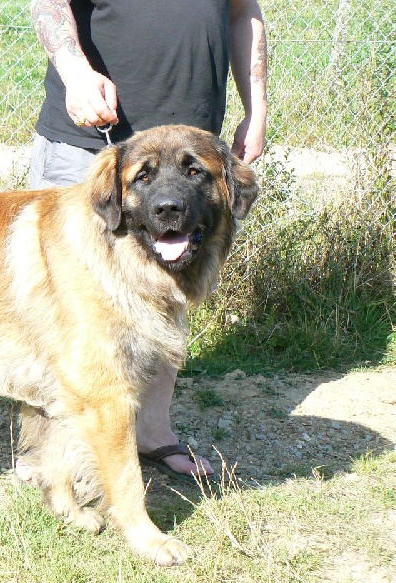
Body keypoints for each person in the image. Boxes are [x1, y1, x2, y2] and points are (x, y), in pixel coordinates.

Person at [25, 0, 268, 480]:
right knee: (59, 310)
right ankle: (46, 448)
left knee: (169, 295)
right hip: (91, 136)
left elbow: (244, 12)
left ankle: (151, 432)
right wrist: (75, 72)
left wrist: (256, 108)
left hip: (192, 141)